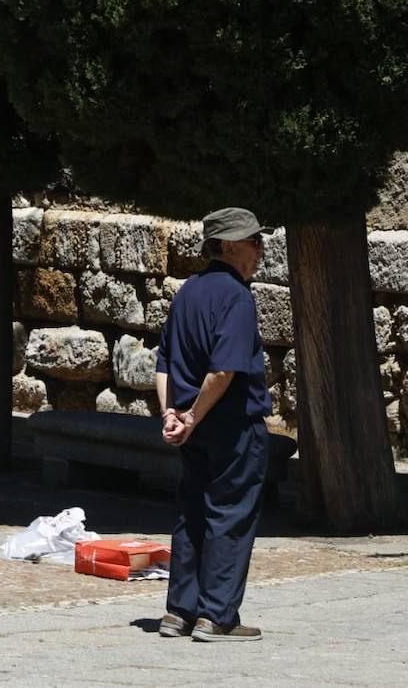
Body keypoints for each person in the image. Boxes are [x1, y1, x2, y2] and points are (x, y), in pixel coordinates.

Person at [155, 207, 272, 642]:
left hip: (193, 426)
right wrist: (190, 415)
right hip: (232, 426)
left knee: (192, 513)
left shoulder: (188, 291)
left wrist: (172, 414)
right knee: (230, 515)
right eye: (254, 242)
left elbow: (164, 361)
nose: (261, 251)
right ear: (228, 246)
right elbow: (223, 372)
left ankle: (178, 613)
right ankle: (216, 616)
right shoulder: (237, 297)